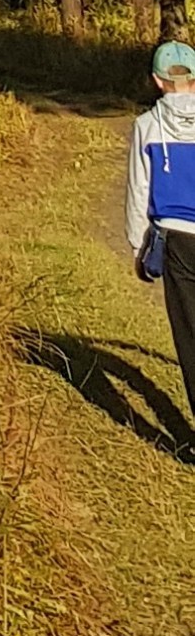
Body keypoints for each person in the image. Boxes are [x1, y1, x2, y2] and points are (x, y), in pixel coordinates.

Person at [125, 36, 195, 420]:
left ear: (157, 81)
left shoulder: (146, 126)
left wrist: (137, 246)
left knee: (190, 334)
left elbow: (139, 189)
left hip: (177, 240)